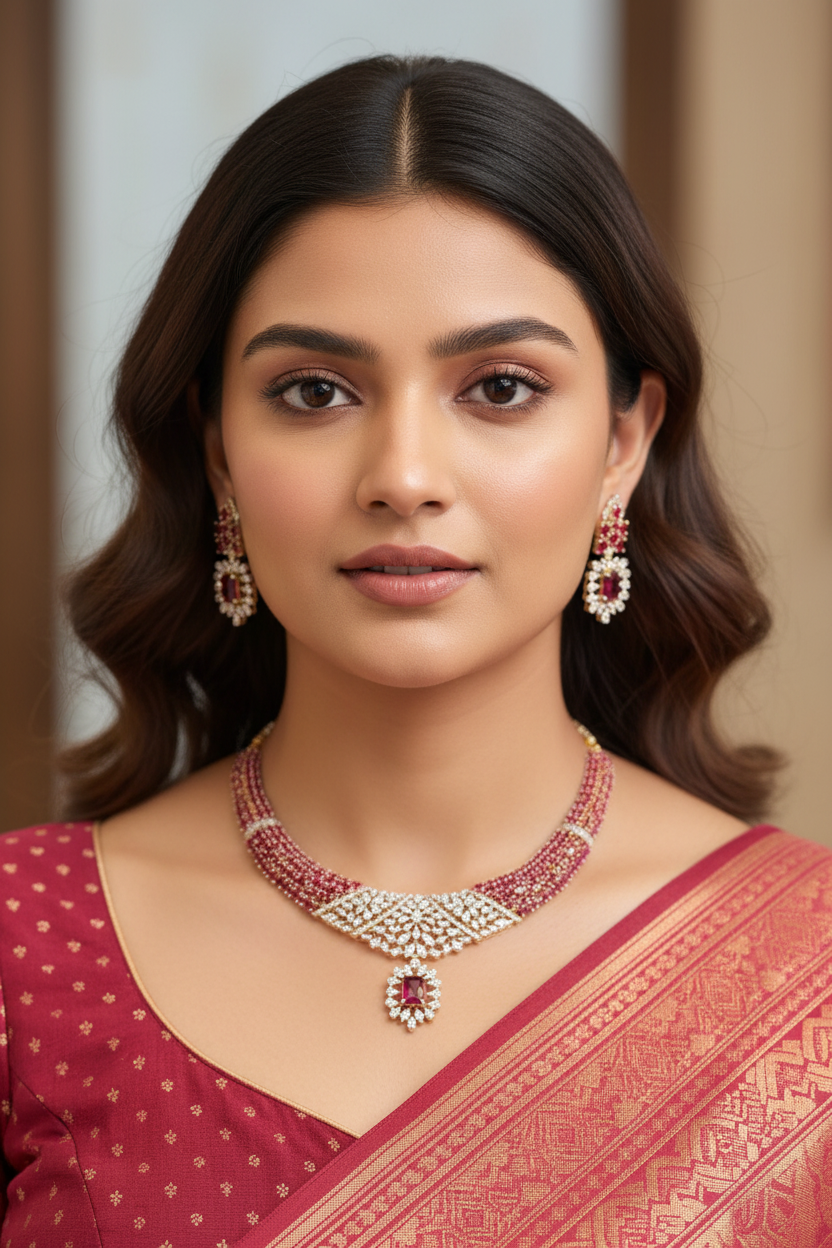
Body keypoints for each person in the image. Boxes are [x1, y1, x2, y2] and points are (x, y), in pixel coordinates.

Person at [2, 54, 831, 1247]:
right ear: (217, 446)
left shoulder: (798, 965)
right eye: (312, 392)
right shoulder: (27, 957)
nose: (401, 477)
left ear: (622, 441)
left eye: (498, 386)